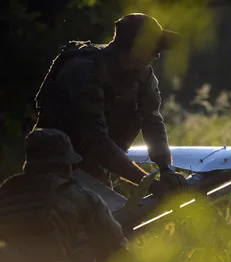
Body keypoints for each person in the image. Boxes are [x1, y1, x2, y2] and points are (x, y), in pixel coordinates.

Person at [32, 13, 188, 195]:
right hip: (54, 171)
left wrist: (166, 169)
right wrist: (149, 184)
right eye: (154, 49)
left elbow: (151, 119)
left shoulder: (142, 73)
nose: (158, 56)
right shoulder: (84, 71)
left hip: (94, 169)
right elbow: (95, 140)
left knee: (106, 219)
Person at [0, 128, 136, 262]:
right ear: (65, 165)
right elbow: (116, 248)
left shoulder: (5, 191)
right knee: (87, 248)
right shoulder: (78, 195)